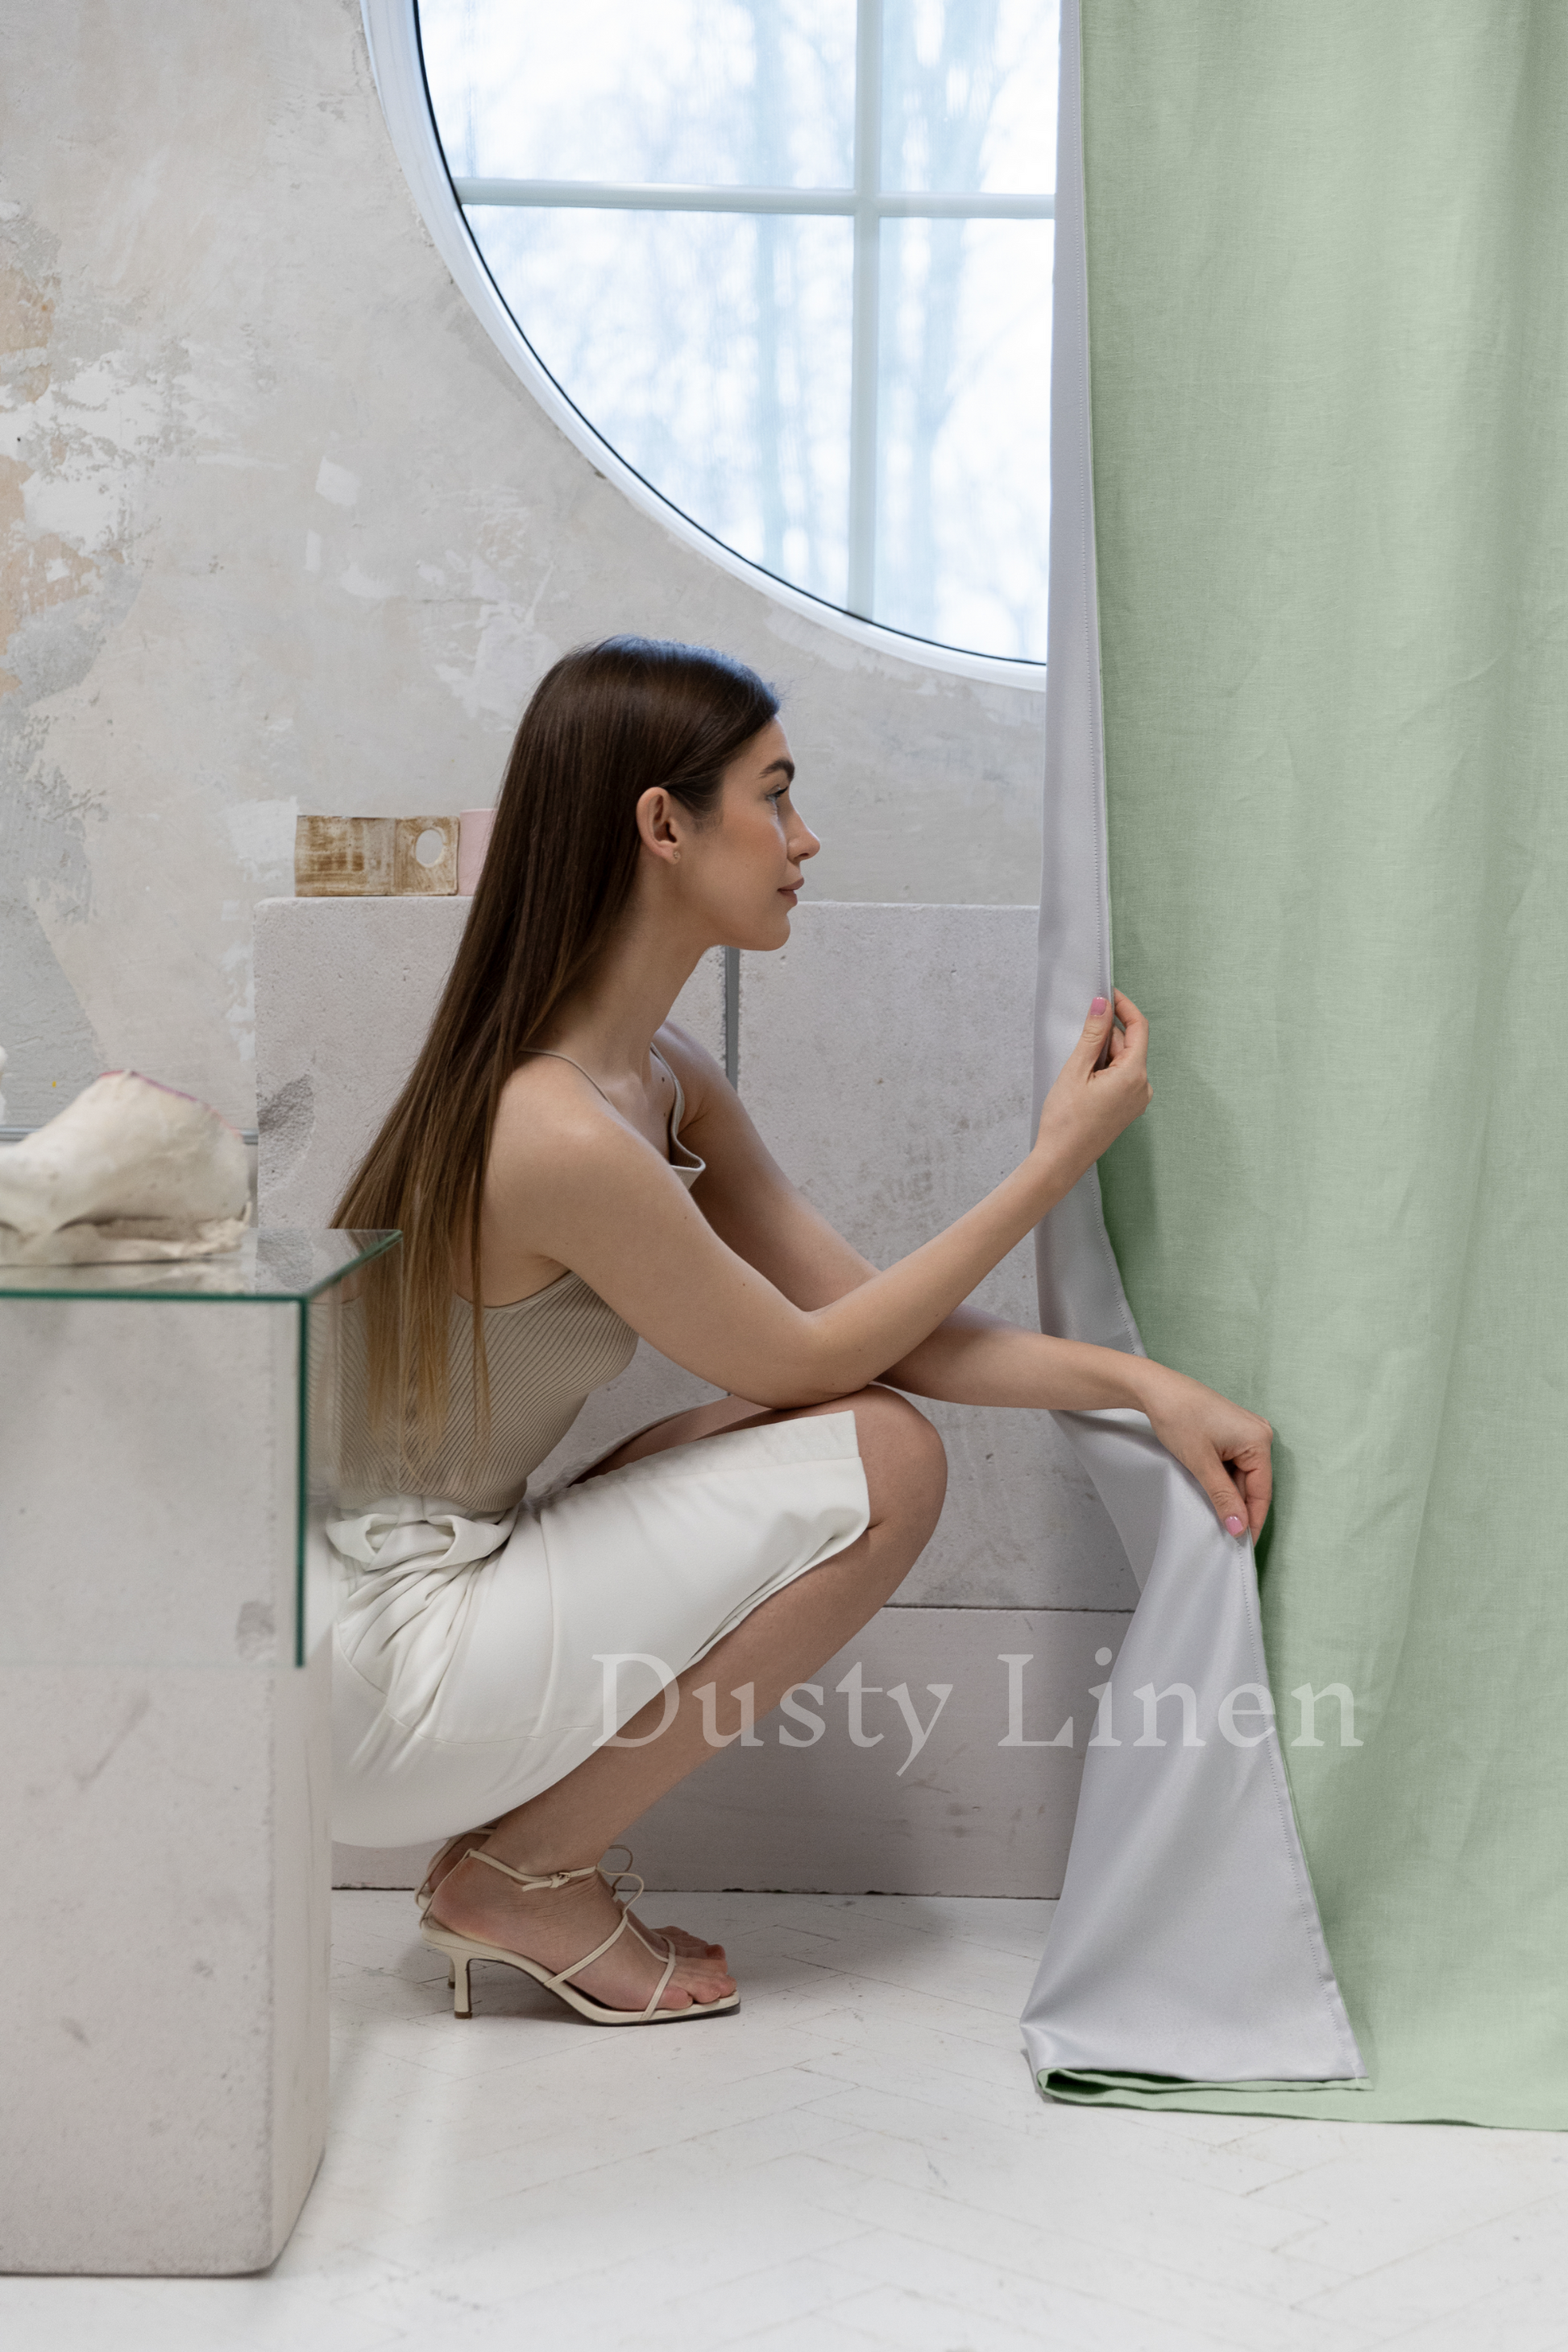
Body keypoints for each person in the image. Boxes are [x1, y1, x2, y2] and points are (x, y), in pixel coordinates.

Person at [330, 637, 1272, 2026]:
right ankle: (522, 1871)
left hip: (452, 1582)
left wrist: (1145, 1387)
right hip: (384, 1661)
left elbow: (877, 1329)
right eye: (774, 795)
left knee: (824, 1434)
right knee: (879, 1456)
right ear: (663, 823)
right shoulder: (550, 1126)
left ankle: (513, 1860)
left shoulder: (658, 1081)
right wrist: (1047, 1163)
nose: (803, 836)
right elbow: (817, 1361)